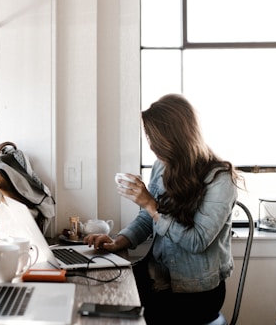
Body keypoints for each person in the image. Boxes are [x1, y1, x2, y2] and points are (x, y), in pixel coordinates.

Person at [84, 93, 242, 324]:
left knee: (116, 312)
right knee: (99, 292)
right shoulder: (162, 166)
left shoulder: (220, 179)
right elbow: (148, 219)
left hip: (195, 293)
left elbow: (196, 242)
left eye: (155, 139)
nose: (151, 146)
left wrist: (150, 203)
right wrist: (119, 241)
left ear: (176, 137)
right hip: (157, 277)